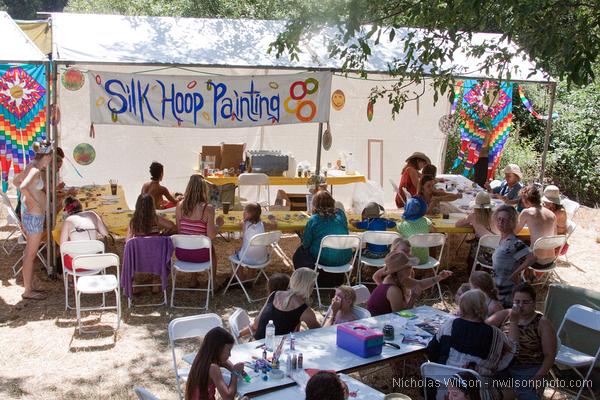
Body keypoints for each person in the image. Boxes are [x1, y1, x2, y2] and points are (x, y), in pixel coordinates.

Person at [427, 289, 514, 399]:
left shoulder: (450, 325)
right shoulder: (495, 335)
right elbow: (507, 361)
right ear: (483, 308)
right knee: (511, 390)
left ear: (462, 307)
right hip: (476, 393)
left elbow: (432, 353)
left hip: (441, 390)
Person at [486, 284, 557, 400]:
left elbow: (550, 355)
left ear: (534, 303)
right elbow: (483, 327)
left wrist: (539, 377)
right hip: (503, 366)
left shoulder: (542, 323)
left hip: (529, 368)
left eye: (525, 302)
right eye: (517, 301)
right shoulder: (506, 314)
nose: (520, 306)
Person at [367, 240, 452, 316]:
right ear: (400, 271)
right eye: (408, 267)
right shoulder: (393, 289)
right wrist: (413, 297)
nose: (411, 268)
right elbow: (401, 316)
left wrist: (439, 277)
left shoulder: (397, 279)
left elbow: (420, 284)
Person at [293, 190, 352, 288]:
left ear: (315, 204)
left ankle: (305, 282)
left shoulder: (314, 219)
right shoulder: (341, 214)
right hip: (344, 257)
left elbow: (306, 244)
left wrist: (301, 235)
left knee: (299, 253)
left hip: (324, 258)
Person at [17, 141, 53, 300]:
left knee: (29, 254)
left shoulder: (31, 165)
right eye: (51, 155)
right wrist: (34, 201)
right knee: (31, 255)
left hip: (31, 215)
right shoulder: (35, 170)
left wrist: (29, 201)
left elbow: (15, 181)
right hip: (34, 217)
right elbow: (22, 186)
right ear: (47, 156)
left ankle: (29, 286)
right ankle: (27, 291)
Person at [251, 268, 320, 340]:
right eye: (313, 286)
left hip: (258, 343)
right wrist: (332, 315)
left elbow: (256, 323)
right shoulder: (305, 310)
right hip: (278, 348)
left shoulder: (275, 294)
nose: (313, 289)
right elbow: (320, 333)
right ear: (308, 287)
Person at [175, 175, 220, 283]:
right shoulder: (208, 208)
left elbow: (180, 231)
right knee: (210, 249)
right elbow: (211, 235)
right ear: (204, 189)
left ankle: (193, 279)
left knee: (191, 240)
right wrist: (218, 225)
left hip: (182, 254)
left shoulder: (179, 206)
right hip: (201, 256)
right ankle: (212, 283)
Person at [491, 205, 536, 307]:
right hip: (498, 287)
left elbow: (532, 257)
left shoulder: (513, 242)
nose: (500, 223)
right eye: (499, 219)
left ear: (511, 222)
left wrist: (516, 273)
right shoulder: (502, 240)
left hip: (507, 292)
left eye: (504, 220)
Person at [185, 327, 245, 400]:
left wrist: (233, 368)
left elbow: (225, 362)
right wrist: (235, 373)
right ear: (218, 349)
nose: (230, 355)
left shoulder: (203, 357)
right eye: (228, 350)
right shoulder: (213, 368)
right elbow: (228, 397)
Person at [514, 185, 557, 270]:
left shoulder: (526, 212)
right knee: (526, 244)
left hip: (535, 262)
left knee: (512, 249)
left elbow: (514, 232)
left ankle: (517, 276)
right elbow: (554, 237)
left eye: (522, 200)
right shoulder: (552, 214)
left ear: (525, 199)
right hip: (551, 261)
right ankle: (530, 276)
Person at [456, 191, 499, 268]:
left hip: (482, 253)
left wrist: (470, 222)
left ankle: (472, 273)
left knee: (474, 247)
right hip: (498, 253)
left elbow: (458, 224)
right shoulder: (496, 215)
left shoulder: (473, 216)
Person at [396, 196, 432, 264]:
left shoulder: (401, 225)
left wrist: (402, 220)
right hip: (424, 260)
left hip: (408, 260)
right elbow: (434, 230)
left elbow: (397, 232)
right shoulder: (425, 220)